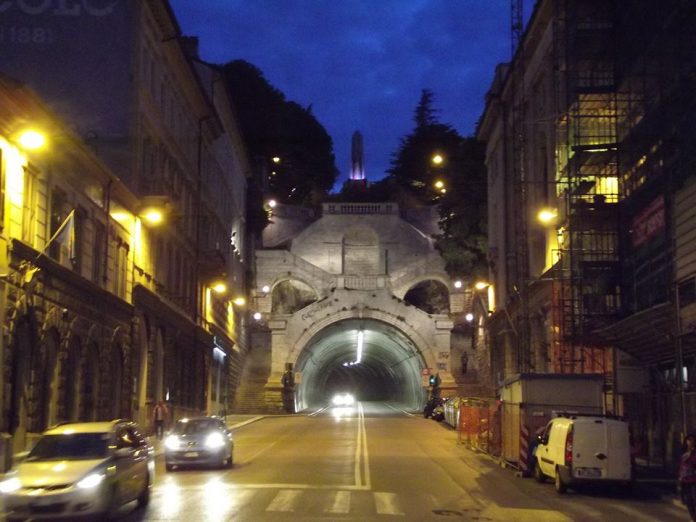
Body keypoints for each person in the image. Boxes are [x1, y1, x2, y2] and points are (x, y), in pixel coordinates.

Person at [679, 433, 696, 521]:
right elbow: (681, 466)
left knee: (695, 499)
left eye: (692, 440)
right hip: (685, 480)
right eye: (688, 440)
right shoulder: (684, 453)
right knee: (688, 501)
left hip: (694, 480)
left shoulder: (694, 453)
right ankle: (693, 518)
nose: (690, 442)